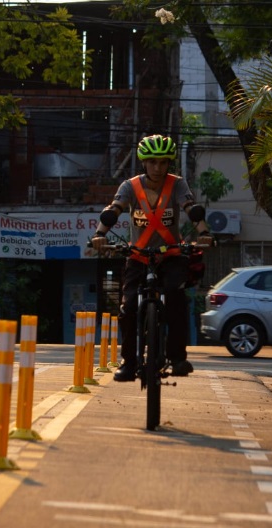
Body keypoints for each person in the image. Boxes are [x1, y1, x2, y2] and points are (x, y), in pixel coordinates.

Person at [91, 134, 214, 381]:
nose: (158, 168)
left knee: (176, 299)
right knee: (127, 308)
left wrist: (204, 234)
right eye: (153, 162)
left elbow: (191, 209)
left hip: (171, 255)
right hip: (137, 255)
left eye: (163, 162)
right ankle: (128, 362)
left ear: (169, 164)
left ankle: (178, 358)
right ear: (144, 163)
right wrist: (99, 235)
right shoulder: (129, 186)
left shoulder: (177, 184)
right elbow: (114, 210)